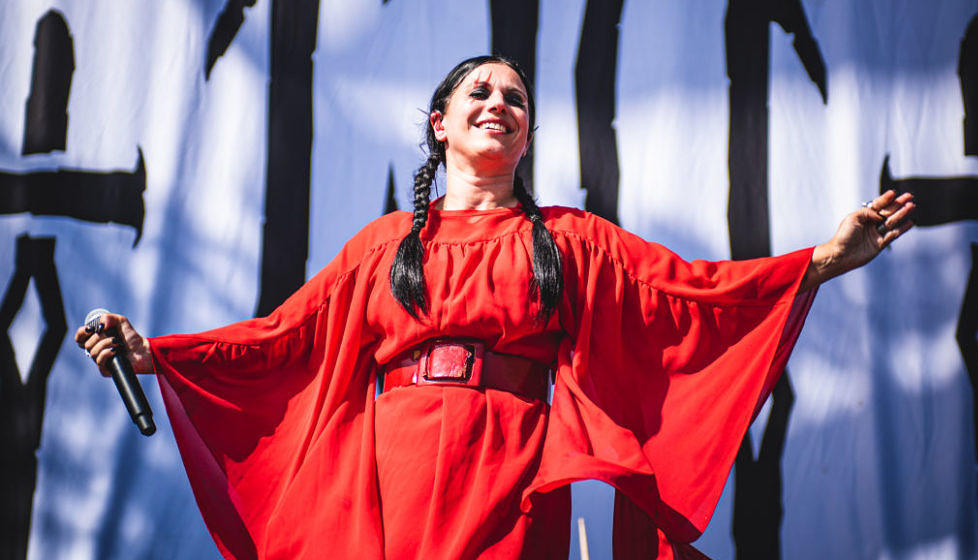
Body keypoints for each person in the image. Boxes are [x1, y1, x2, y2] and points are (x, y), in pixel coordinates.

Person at [76, 55, 914, 560]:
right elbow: (283, 339)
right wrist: (154, 352)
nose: (498, 104)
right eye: (480, 92)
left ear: (525, 135)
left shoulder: (570, 239)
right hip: (393, 470)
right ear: (440, 125)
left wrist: (820, 264)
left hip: (513, 464)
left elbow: (686, 296)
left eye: (514, 99)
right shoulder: (385, 247)